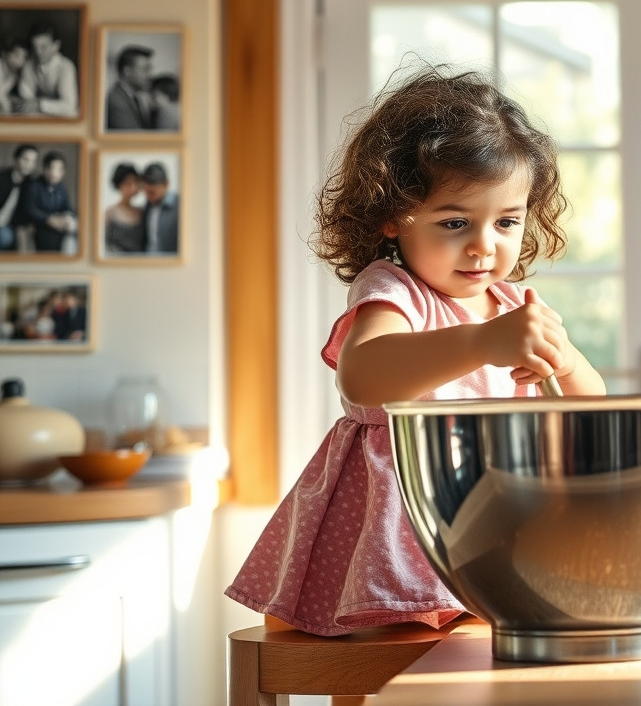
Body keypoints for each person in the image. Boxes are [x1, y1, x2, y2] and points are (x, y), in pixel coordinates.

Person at [224, 65, 605, 636]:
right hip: (403, 521)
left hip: (495, 512)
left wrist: (567, 360)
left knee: (482, 657)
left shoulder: (512, 304)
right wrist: (483, 342)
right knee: (387, 657)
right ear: (391, 216)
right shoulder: (394, 291)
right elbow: (363, 376)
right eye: (455, 222)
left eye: (506, 221)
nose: (483, 246)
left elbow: (590, 403)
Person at [17, 21, 79, 117]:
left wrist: (39, 105)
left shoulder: (66, 67)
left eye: (43, 47)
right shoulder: (29, 65)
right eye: (35, 47)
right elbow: (26, 102)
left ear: (56, 46)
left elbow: (69, 106)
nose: (38, 52)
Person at [21, 150, 78, 253]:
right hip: (40, 225)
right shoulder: (34, 185)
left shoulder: (61, 189)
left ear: (63, 172)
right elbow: (30, 209)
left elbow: (67, 208)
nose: (54, 173)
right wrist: (48, 219)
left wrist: (66, 218)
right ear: (45, 169)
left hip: (58, 224)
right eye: (51, 168)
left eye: (59, 169)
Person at [105, 45, 156, 130]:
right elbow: (134, 136)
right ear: (127, 71)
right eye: (145, 69)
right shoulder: (116, 101)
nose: (150, 75)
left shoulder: (133, 98)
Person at [0, 144, 40, 251]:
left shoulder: (32, 184)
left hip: (10, 227)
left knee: (7, 238)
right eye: (25, 159)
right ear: (16, 159)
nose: (29, 165)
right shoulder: (2, 177)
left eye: (33, 161)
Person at [104, 162, 145, 254]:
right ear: (119, 185)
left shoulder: (142, 212)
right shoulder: (110, 213)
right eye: (128, 184)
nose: (132, 188)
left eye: (135, 183)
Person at [139, 162, 180, 254]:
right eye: (145, 192)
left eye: (152, 192)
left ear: (166, 184)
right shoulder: (147, 207)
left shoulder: (179, 206)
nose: (148, 196)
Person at [0, 38, 27, 114]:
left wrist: (11, 98)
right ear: (5, 54)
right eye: (16, 55)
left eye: (24, 57)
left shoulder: (14, 76)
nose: (20, 62)